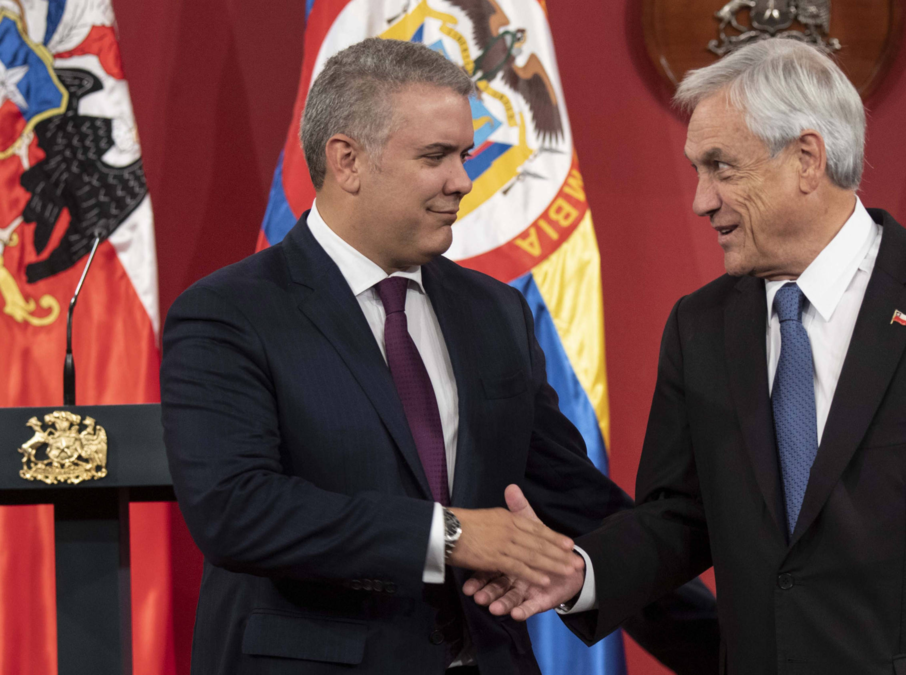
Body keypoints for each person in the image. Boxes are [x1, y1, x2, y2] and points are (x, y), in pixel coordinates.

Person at [474, 38, 906, 674]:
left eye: (721, 168)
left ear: (807, 160)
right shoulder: (700, 327)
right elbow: (679, 517)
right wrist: (581, 571)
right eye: (697, 170)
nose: (702, 199)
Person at [160, 38, 715, 675]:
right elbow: (236, 510)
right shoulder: (230, 312)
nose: (463, 181)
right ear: (347, 160)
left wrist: (735, 651)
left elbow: (577, 505)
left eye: (464, 155)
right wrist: (447, 533)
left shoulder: (494, 311)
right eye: (435, 156)